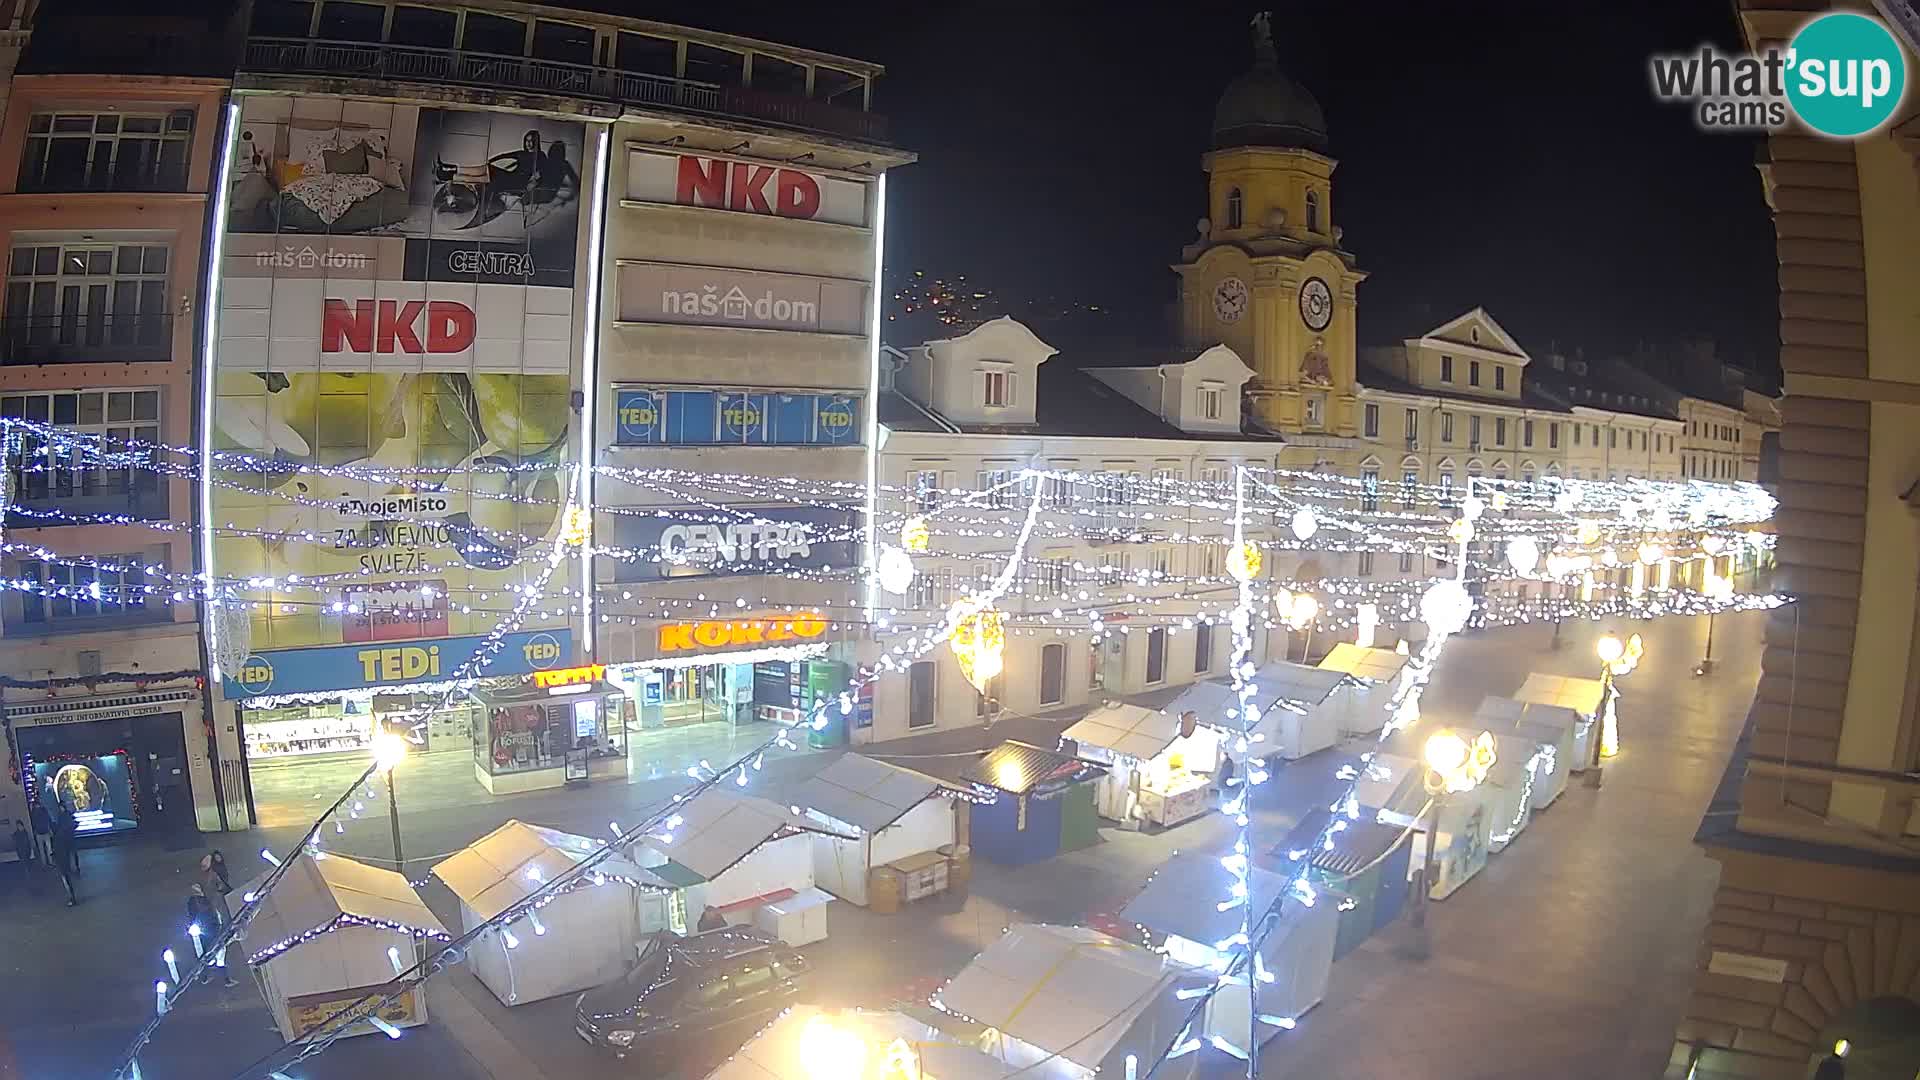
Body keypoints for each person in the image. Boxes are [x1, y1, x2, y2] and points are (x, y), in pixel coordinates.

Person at [47, 809, 76, 906]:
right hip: (64, 861)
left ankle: (72, 898)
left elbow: (59, 851)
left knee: (66, 881)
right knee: (67, 881)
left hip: (62, 863)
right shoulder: (60, 837)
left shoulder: (56, 840)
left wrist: (54, 856)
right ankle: (71, 897)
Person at [28, 798, 51, 867]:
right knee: (48, 849)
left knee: (42, 850)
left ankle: (44, 863)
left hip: (39, 833)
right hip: (45, 831)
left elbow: (33, 822)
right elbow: (48, 819)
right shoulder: (44, 810)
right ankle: (50, 862)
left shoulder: (33, 812)